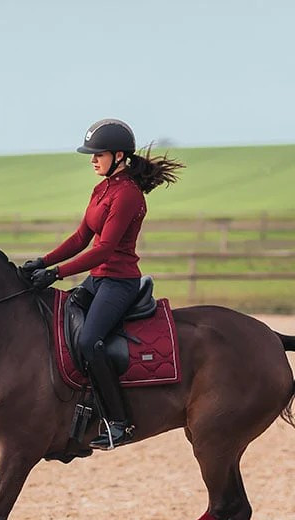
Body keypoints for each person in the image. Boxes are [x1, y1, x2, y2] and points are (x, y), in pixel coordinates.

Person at [22, 118, 184, 448]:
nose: (93, 159)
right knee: (59, 322)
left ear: (120, 156)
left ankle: (118, 422)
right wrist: (43, 261)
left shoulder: (127, 195)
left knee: (90, 340)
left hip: (119, 283)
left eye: (99, 154)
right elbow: (82, 236)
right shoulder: (103, 189)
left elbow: (105, 249)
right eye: (91, 155)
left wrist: (56, 274)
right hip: (97, 280)